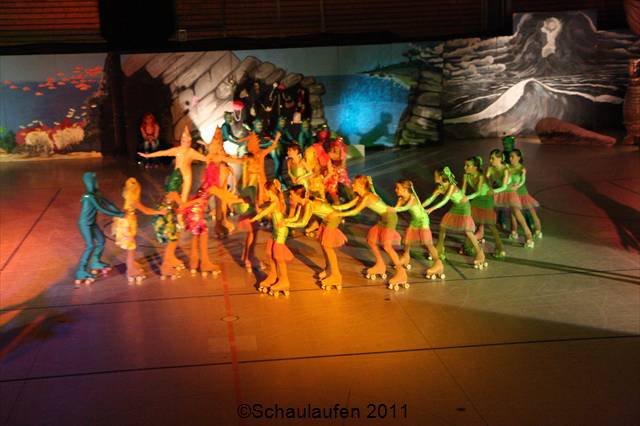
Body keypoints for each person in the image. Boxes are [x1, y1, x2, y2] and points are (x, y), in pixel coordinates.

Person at [332, 175, 407, 289]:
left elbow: (355, 212)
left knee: (387, 246)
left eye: (355, 183)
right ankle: (380, 264)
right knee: (371, 240)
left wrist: (338, 214)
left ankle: (401, 273)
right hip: (383, 218)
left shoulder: (367, 197)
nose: (352, 185)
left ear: (362, 185)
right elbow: (348, 205)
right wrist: (333, 208)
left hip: (390, 218)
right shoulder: (361, 196)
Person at [285, 185, 348, 290]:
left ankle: (336, 275)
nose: (290, 197)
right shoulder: (302, 203)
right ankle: (329, 269)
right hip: (326, 219)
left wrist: (286, 224)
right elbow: (296, 218)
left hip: (333, 218)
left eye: (291, 194)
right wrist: (285, 221)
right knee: (324, 245)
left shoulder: (308, 204)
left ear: (298, 195)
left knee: (327, 247)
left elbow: (303, 223)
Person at [423, 167, 487, 269]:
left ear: (441, 177)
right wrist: (420, 207)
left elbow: (445, 200)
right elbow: (430, 199)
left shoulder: (451, 186)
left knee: (468, 231)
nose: (434, 177)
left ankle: (480, 252)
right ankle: (440, 248)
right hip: (456, 206)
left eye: (436, 175)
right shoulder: (440, 187)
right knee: (443, 226)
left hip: (464, 206)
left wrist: (431, 209)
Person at [111, 178, 165, 283]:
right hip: (128, 223)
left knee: (131, 246)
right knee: (131, 246)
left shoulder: (128, 197)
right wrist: (160, 212)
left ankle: (131, 264)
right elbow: (146, 211)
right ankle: (130, 270)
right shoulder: (133, 200)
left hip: (128, 221)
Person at [74, 172, 124, 286]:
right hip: (85, 224)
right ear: (89, 183)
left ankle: (96, 261)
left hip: (92, 223)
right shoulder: (88, 196)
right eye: (94, 181)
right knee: (90, 245)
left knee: (101, 241)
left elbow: (108, 204)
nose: (96, 183)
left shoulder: (96, 194)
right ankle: (81, 271)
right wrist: (118, 214)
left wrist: (119, 211)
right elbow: (101, 208)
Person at [394, 179, 444, 280]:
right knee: (407, 240)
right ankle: (405, 257)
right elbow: (395, 210)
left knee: (428, 243)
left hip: (423, 220)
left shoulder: (412, 198)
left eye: (398, 188)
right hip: (415, 221)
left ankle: (438, 264)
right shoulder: (401, 199)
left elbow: (404, 208)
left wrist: (392, 208)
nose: (395, 190)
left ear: (405, 190)